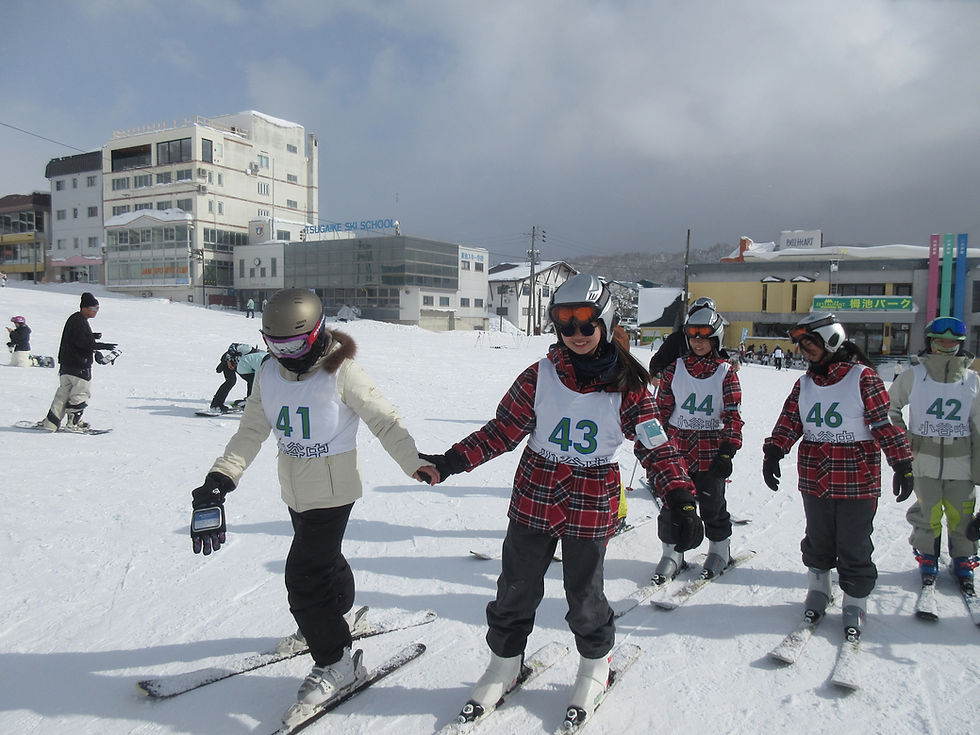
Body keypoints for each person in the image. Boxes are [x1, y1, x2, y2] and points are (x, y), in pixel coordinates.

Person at [420, 274, 700, 728]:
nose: (576, 334)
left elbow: (657, 447)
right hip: (536, 494)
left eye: (586, 323)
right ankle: (504, 664)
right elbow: (502, 431)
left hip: (591, 499)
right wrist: (451, 461)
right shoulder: (541, 375)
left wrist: (680, 495)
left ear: (605, 322)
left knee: (584, 596)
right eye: (565, 324)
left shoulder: (629, 386)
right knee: (515, 589)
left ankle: (594, 667)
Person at [188, 288, 438, 727]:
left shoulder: (342, 372)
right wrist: (219, 479)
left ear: (318, 333)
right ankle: (336, 614)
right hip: (295, 490)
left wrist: (413, 461)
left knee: (304, 578)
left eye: (294, 346)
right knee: (324, 559)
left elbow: (384, 420)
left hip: (333, 492)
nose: (284, 356)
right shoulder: (268, 373)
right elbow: (250, 431)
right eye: (275, 345)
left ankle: (337, 661)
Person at [762, 312, 913, 642]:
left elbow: (883, 424)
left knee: (854, 543)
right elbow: (790, 421)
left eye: (810, 344)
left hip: (857, 479)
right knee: (818, 538)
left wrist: (902, 463)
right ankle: (819, 589)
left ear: (831, 340)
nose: (804, 351)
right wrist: (774, 450)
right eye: (802, 345)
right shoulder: (804, 383)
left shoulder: (864, 378)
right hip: (814, 477)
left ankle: (855, 601)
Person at [887, 316, 979, 594]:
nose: (946, 348)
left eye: (952, 343)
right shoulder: (914, 376)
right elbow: (889, 408)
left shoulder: (972, 381)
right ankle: (928, 554)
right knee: (927, 513)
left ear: (961, 344)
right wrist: (902, 439)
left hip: (961, 466)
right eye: (941, 342)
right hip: (923, 464)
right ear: (930, 343)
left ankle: (963, 557)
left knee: (962, 514)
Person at [653, 305, 743, 581]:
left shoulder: (725, 373)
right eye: (693, 337)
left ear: (716, 339)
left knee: (712, 503)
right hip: (678, 449)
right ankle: (672, 552)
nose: (698, 343)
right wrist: (657, 448)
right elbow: (661, 411)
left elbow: (733, 414)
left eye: (704, 338)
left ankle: (719, 550)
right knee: (671, 503)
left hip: (710, 450)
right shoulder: (675, 369)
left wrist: (728, 450)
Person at [39, 292, 118, 432]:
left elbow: (76, 338)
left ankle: (51, 423)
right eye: (94, 308)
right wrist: (101, 345)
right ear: (84, 308)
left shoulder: (75, 319)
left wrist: (92, 336)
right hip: (79, 366)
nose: (96, 311)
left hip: (66, 366)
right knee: (80, 394)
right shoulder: (80, 321)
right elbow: (82, 343)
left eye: (98, 308)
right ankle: (73, 423)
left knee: (62, 394)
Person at [648, 296, 730, 388]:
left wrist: (730, 365)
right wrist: (656, 373)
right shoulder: (675, 340)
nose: (698, 341)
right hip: (679, 386)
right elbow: (659, 360)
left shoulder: (713, 341)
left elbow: (721, 358)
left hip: (708, 387)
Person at [210, 342, 252, 412]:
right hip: (228, 361)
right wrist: (228, 361)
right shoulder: (248, 349)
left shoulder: (261, 363)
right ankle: (216, 405)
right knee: (231, 381)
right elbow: (233, 346)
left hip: (240, 365)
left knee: (252, 381)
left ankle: (250, 402)